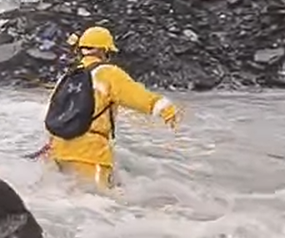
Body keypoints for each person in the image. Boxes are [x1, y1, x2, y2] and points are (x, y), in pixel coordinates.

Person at [37, 25, 180, 189]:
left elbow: (53, 112)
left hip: (58, 150)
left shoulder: (67, 76)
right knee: (99, 202)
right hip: (91, 153)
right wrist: (165, 108)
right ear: (105, 50)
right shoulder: (108, 73)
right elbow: (137, 96)